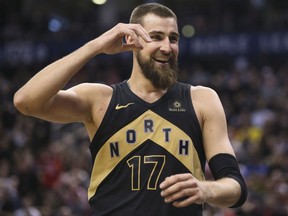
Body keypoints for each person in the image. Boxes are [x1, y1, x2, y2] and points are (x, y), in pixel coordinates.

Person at [13, 3, 247, 216]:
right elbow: (26, 101)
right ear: (133, 40)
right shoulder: (100, 99)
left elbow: (235, 185)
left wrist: (205, 189)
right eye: (156, 37)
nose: (167, 47)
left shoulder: (202, 99)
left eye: (173, 38)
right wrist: (95, 47)